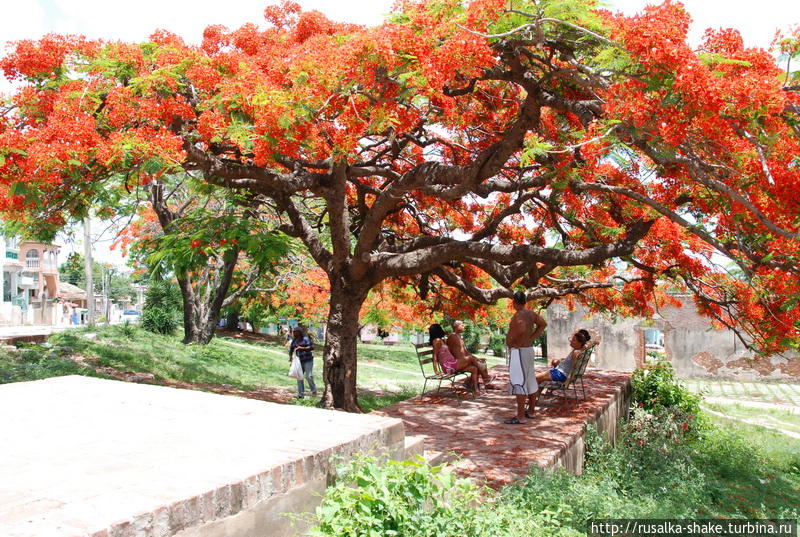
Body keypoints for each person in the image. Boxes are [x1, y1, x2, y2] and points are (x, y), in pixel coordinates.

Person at [505, 291, 547, 425]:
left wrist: (513, 342)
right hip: (528, 350)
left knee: (519, 382)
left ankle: (520, 416)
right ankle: (531, 411)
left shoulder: (519, 316)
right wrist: (532, 337)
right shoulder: (531, 314)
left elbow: (521, 330)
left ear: (514, 302)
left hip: (519, 351)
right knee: (530, 380)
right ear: (525, 301)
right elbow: (543, 324)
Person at [428, 323, 480, 392]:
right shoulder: (437, 341)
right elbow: (434, 356)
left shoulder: (441, 340)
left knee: (474, 368)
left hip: (452, 363)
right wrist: (436, 371)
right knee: (470, 358)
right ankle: (485, 377)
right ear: (438, 330)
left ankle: (476, 390)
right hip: (448, 366)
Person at [447, 320, 496, 390]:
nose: (464, 327)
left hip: (464, 361)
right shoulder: (452, 336)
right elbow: (449, 351)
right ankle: (486, 379)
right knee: (478, 363)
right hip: (458, 363)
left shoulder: (459, 337)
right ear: (456, 326)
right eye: (462, 325)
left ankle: (476, 383)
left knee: (481, 362)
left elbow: (465, 352)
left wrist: (476, 358)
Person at [289, 326, 317, 398]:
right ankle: (301, 394)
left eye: (295, 332)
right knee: (299, 377)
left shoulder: (305, 338)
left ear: (299, 332)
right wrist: (291, 359)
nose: (294, 333)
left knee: (309, 376)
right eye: (293, 332)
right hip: (299, 362)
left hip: (308, 360)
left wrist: (302, 348)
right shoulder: (294, 341)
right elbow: (291, 350)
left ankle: (314, 390)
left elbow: (312, 347)